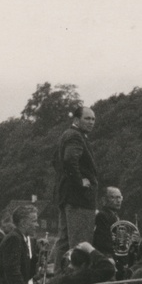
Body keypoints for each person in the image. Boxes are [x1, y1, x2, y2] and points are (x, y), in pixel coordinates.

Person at [50, 105, 99, 272]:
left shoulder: (67, 135)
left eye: (93, 119)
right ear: (76, 120)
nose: (91, 122)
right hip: (79, 199)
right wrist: (80, 182)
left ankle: (60, 278)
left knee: (64, 241)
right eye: (87, 118)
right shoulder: (75, 136)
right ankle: (77, 281)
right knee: (80, 243)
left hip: (67, 197)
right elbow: (69, 159)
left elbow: (56, 162)